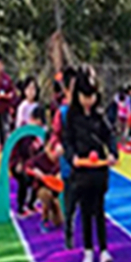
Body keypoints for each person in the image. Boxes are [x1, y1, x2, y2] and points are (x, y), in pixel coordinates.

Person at [63, 65, 117, 262]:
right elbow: (67, 141)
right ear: (78, 95)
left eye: (92, 96)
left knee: (99, 210)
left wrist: (112, 153)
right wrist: (73, 157)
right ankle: (88, 249)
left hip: (98, 171)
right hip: (82, 171)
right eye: (85, 96)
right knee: (85, 210)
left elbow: (109, 135)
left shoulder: (99, 115)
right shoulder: (72, 116)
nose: (89, 101)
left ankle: (103, 250)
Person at [53, 66, 78, 249]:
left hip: (84, 164)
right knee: (70, 202)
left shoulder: (83, 111)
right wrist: (57, 145)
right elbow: (55, 134)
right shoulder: (62, 112)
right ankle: (68, 231)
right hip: (69, 165)